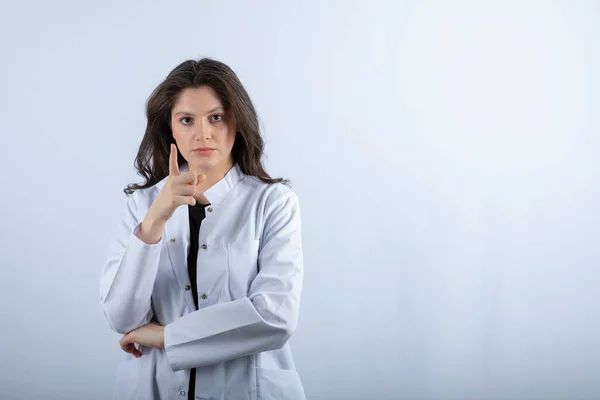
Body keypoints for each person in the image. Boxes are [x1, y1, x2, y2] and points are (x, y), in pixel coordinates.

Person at [99, 58, 306, 400]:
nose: (202, 134)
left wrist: (167, 337)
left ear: (237, 122)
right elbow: (122, 318)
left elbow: (276, 316)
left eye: (216, 117)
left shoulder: (274, 203)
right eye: (187, 120)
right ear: (170, 129)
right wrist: (154, 221)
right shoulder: (141, 204)